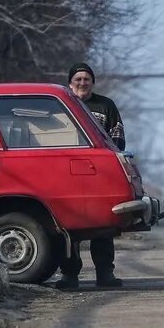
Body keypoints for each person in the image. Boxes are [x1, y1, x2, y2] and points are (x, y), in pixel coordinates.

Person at [57, 61, 125, 289]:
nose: (82, 83)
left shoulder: (106, 105)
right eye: (78, 79)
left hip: (98, 176)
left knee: (102, 226)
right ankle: (69, 276)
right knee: (67, 228)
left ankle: (105, 274)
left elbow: (118, 139)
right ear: (70, 83)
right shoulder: (60, 105)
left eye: (87, 79)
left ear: (93, 82)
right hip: (65, 176)